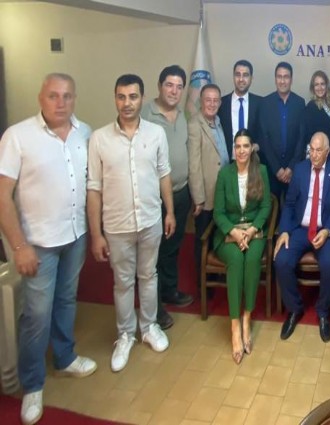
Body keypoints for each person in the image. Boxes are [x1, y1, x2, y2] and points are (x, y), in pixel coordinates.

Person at [0, 73, 97, 425]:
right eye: (53, 95)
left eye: (67, 96)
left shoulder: (85, 133)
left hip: (75, 235)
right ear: (41, 97)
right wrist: (19, 245)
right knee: (36, 314)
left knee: (66, 300)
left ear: (75, 99)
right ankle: (32, 385)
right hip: (37, 244)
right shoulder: (18, 136)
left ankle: (65, 357)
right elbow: (2, 196)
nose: (61, 102)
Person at [87, 74, 174, 373]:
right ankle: (125, 334)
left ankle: (148, 327)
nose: (127, 103)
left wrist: (170, 212)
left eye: (133, 96)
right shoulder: (99, 139)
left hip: (150, 219)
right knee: (123, 282)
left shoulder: (156, 133)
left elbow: (164, 174)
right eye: (121, 97)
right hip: (117, 225)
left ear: (142, 98)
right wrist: (96, 234)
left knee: (149, 275)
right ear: (115, 98)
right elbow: (94, 188)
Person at [273, 132, 330, 343]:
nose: (314, 155)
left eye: (318, 150)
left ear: (327, 152)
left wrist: (328, 230)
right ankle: (295, 308)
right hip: (299, 230)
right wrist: (284, 230)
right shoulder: (300, 169)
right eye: (311, 150)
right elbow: (289, 204)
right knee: (281, 260)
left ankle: (323, 312)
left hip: (323, 230)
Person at [212, 129, 271, 364]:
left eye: (246, 146)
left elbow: (266, 207)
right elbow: (218, 212)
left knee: (252, 259)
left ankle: (247, 317)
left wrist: (253, 230)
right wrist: (234, 232)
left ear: (252, 148)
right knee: (236, 260)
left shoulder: (261, 171)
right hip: (229, 234)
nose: (241, 151)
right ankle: (235, 325)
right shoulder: (225, 174)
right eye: (238, 146)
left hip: (254, 232)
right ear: (233, 149)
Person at [141, 65, 193, 330]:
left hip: (181, 192)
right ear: (159, 86)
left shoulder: (182, 116)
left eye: (179, 86)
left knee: (172, 247)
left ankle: (169, 291)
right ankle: (155, 308)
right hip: (154, 197)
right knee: (153, 253)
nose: (174, 91)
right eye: (169, 85)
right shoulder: (144, 115)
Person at [188, 83, 230, 280]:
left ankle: (215, 275)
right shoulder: (195, 125)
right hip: (205, 196)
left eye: (215, 100)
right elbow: (194, 165)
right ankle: (203, 282)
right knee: (203, 239)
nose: (212, 104)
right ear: (201, 101)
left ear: (220, 102)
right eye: (208, 100)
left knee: (216, 237)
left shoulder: (218, 121)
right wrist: (198, 199)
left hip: (220, 192)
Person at [258, 62, 306, 199]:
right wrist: (277, 169)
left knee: (293, 206)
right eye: (279, 77)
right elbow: (264, 138)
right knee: (272, 208)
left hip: (294, 169)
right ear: (275, 79)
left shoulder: (300, 103)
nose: (282, 81)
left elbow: (301, 138)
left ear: (291, 79)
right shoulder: (265, 103)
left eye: (286, 77)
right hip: (272, 169)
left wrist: (291, 167)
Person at [218, 59, 262, 153]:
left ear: (251, 78)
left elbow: (266, 135)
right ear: (233, 77)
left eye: (245, 75)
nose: (241, 79)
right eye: (238, 75)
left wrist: (258, 146)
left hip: (252, 159)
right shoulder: (221, 104)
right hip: (228, 160)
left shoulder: (261, 104)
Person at [303, 70, 330, 160]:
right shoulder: (311, 107)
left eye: (322, 84)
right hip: (319, 154)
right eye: (316, 85)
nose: (320, 87)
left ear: (326, 85)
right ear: (313, 88)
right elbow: (308, 136)